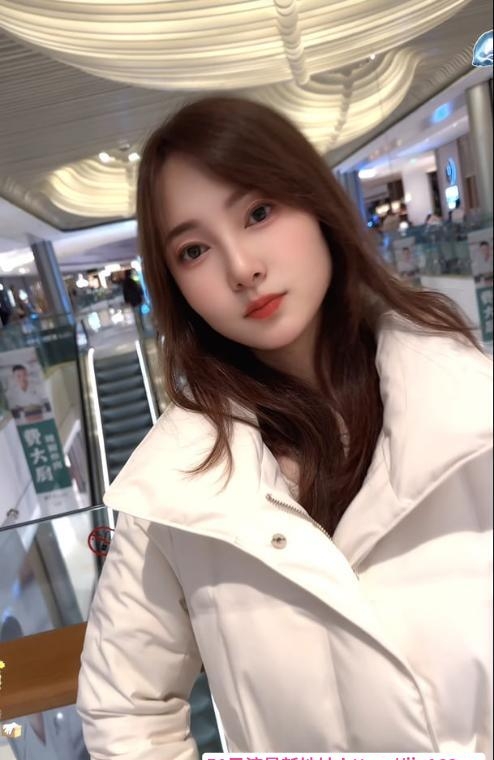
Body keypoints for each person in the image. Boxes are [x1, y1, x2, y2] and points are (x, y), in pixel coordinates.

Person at [77, 97, 493, 757]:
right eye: (193, 250)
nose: (242, 268)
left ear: (316, 202)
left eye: (259, 213)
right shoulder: (174, 492)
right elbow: (123, 708)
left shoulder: (471, 411)